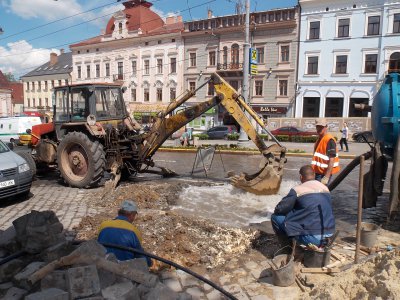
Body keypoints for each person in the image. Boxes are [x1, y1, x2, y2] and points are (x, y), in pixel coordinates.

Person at [271, 165, 335, 247]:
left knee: (276, 217)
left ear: (301, 177)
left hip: (313, 239)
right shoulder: (325, 189)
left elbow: (280, 209)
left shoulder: (297, 190)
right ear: (314, 175)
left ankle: (286, 247)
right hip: (329, 234)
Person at [98, 200, 152, 267]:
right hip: (123, 271)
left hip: (103, 267)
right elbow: (140, 256)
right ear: (132, 215)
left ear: (119, 213)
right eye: (135, 215)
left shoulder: (104, 225)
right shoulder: (134, 231)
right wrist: (150, 262)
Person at [312, 119, 340, 185]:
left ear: (326, 127)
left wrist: (326, 177)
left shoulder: (329, 140)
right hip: (318, 172)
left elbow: (331, 159)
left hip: (324, 174)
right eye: (317, 126)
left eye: (321, 127)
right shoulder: (320, 139)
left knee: (321, 193)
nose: (319, 129)